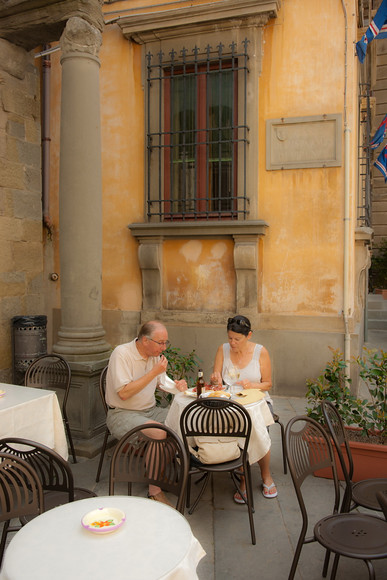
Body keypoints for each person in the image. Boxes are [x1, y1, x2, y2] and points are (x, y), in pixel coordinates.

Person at [105, 321, 187, 505]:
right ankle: (154, 490)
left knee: (179, 423)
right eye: (160, 343)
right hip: (122, 413)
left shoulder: (154, 356)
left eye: (166, 342)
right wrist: (153, 372)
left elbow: (162, 382)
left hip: (149, 411)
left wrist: (177, 386)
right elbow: (124, 393)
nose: (164, 347)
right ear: (144, 340)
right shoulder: (122, 354)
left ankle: (153, 471)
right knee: (159, 432)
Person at [211, 315, 277, 503]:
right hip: (230, 402)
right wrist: (215, 380)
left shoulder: (260, 352)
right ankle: (243, 478)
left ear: (249, 335)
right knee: (234, 429)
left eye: (237, 339)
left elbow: (268, 384)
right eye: (229, 338)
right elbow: (216, 382)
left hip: (258, 402)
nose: (232, 342)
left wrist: (252, 385)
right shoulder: (222, 350)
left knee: (259, 428)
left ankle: (266, 475)